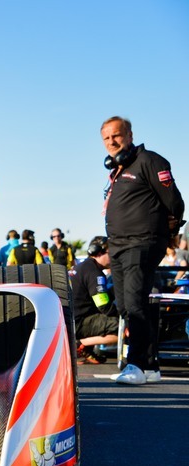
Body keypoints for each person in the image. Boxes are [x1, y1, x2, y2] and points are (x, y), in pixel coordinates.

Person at [101, 116, 184, 385]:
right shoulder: (116, 169)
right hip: (119, 244)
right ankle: (150, 365)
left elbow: (174, 201)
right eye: (107, 138)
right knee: (128, 305)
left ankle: (134, 364)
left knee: (135, 304)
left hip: (142, 241)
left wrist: (169, 231)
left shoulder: (149, 160)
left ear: (130, 134)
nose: (112, 142)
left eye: (117, 135)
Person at [71, 236, 118, 364]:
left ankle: (86, 350)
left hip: (71, 319)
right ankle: (79, 344)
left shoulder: (83, 266)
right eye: (111, 253)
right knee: (121, 326)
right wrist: (121, 314)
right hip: (78, 323)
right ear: (98, 252)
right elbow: (103, 305)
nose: (113, 256)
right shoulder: (94, 272)